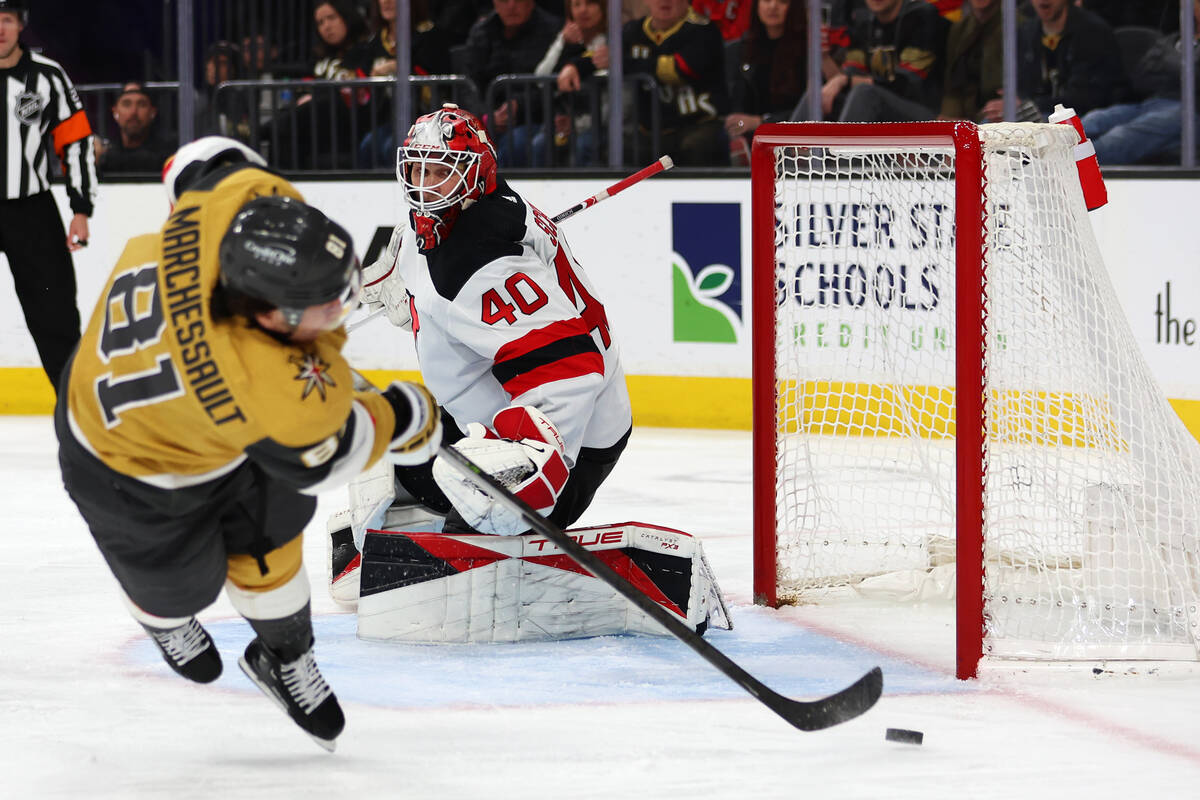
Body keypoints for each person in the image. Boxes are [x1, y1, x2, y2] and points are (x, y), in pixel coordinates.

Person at [54, 136, 442, 751]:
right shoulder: (260, 383)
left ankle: (283, 657)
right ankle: (165, 618)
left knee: (270, 539)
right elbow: (329, 451)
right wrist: (406, 416)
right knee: (178, 587)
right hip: (126, 465)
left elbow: (210, 163)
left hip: (209, 420)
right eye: (327, 306)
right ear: (271, 318)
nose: (342, 309)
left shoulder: (246, 206)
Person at [334, 103, 632, 591]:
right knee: (391, 433)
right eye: (417, 169)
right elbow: (462, 320)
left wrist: (528, 458)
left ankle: (487, 535)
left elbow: (571, 371)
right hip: (488, 412)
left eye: (440, 172)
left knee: (479, 490)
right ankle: (399, 542)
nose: (424, 185)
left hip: (568, 444)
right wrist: (409, 298)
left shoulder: (484, 261)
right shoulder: (447, 222)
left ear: (475, 176)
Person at [0, 0, 96, 394]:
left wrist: (81, 208)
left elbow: (75, 142)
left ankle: (77, 412)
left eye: (5, 20)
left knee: (54, 315)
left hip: (31, 211)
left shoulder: (47, 76)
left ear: (20, 25)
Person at [1080, 0, 1200, 165]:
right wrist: (1182, 69)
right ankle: (1044, 150)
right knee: (1096, 119)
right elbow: (1141, 76)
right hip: (1151, 102)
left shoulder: (1168, 49)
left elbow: (1193, 80)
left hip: (1190, 110)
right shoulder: (1172, 40)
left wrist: (1172, 67)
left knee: (1120, 136)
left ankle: (1067, 163)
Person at [623, 0, 730, 166]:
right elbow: (600, 57)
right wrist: (574, 67)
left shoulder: (704, 30)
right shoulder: (632, 31)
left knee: (697, 146)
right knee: (625, 148)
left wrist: (624, 63)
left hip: (699, 124)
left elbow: (680, 68)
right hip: (650, 130)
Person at [982, 0, 1124, 122]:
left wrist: (1023, 106)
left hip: (1085, 114)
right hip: (1040, 111)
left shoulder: (1093, 31)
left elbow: (1086, 98)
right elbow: (1024, 88)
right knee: (986, 128)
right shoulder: (1026, 32)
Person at [808, 0, 949, 123]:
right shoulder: (864, 22)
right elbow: (846, 78)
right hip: (877, 110)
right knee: (817, 95)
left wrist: (845, 80)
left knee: (865, 93)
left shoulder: (922, 16)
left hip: (924, 114)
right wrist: (824, 57)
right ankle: (790, 151)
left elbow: (904, 84)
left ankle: (843, 155)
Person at [725, 0, 832, 157]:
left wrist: (762, 121)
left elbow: (814, 108)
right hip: (753, 133)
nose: (773, 6)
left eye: (782, 2)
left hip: (796, 134)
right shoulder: (741, 50)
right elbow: (738, 107)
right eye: (766, 0)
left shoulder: (809, 49)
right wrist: (739, 124)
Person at [462, 0, 561, 165]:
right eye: (504, 0)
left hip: (537, 118)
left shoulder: (552, 30)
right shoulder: (482, 32)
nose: (511, 6)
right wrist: (486, 117)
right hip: (488, 119)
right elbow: (469, 85)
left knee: (515, 144)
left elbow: (555, 85)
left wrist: (520, 106)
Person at [938, 0, 1002, 122]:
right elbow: (952, 87)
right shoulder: (959, 29)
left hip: (995, 117)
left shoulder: (1016, 27)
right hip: (966, 116)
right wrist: (949, 118)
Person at [95, 81, 175, 174]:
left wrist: (102, 159)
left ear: (152, 112)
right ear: (115, 112)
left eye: (141, 104)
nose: (133, 112)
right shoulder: (106, 150)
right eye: (126, 104)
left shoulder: (167, 152)